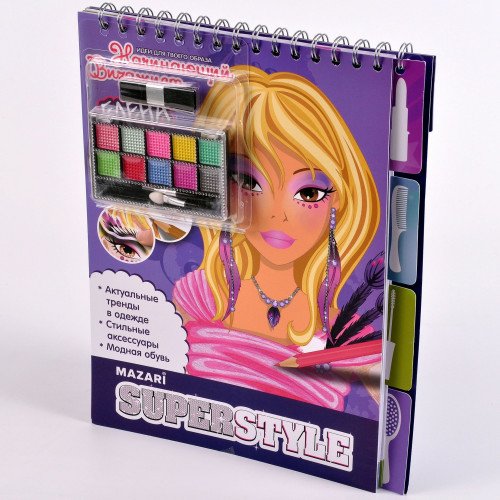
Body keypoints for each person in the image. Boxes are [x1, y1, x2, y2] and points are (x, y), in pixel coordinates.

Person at [173, 66, 381, 414]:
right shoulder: (204, 296)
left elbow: (388, 415)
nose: (277, 215)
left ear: (340, 201)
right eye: (249, 182)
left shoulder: (347, 334)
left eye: (309, 192)